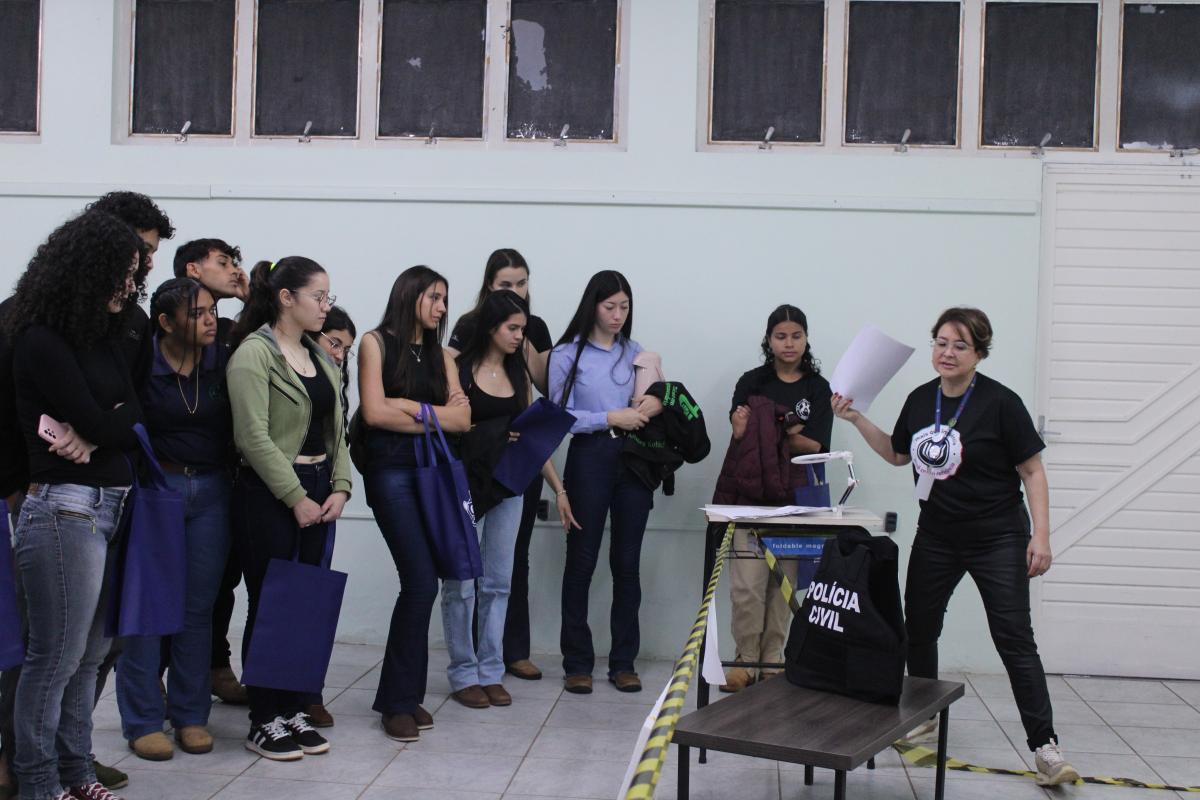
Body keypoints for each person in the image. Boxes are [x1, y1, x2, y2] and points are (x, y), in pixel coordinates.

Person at [831, 306, 1080, 787]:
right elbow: (898, 453)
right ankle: (923, 717)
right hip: (937, 536)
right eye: (941, 343)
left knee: (1014, 638)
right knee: (919, 629)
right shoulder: (920, 399)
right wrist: (857, 418)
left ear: (979, 353)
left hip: (998, 536)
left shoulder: (1001, 403)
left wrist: (1041, 535)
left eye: (960, 345)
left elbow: (1032, 471)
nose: (948, 353)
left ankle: (1045, 747)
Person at [5, 209, 148, 800]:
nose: (130, 286)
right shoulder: (40, 338)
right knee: (55, 658)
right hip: (63, 507)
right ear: (88, 270)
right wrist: (102, 424)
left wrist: (96, 430)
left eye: (135, 274)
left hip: (109, 503)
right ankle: (39, 783)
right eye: (122, 273)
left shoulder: (110, 335)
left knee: (91, 656)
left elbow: (137, 411)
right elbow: (108, 418)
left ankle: (77, 772)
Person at [226, 257, 352, 761]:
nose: (325, 306)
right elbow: (252, 437)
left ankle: (294, 707)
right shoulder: (253, 354)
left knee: (305, 602)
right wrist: (294, 496)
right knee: (271, 601)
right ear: (286, 298)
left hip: (319, 484)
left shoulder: (319, 355)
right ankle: (264, 718)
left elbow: (337, 428)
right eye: (318, 297)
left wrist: (340, 485)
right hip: (270, 490)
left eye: (327, 297)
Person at [115, 279, 233, 761]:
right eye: (197, 313)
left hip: (212, 490)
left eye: (211, 311)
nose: (209, 321)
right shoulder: (144, 361)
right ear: (164, 322)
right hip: (156, 489)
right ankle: (143, 720)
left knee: (197, 608)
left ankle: (190, 715)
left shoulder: (222, 359)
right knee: (146, 608)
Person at [443, 291, 576, 709]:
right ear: (491, 328)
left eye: (523, 329)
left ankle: (490, 670)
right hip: (467, 486)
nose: (520, 336)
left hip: (509, 485)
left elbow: (531, 437)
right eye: (513, 328)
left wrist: (559, 488)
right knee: (461, 583)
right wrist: (491, 432)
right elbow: (448, 428)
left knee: (499, 582)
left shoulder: (519, 374)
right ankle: (463, 672)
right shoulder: (459, 371)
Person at [357, 266, 469, 742]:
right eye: (434, 298)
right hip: (389, 473)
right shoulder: (375, 343)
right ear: (409, 296)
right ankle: (398, 702)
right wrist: (431, 417)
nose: (442, 308)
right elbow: (373, 413)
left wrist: (410, 407)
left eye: (444, 299)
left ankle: (403, 695)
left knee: (427, 582)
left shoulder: (443, 356)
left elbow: (463, 420)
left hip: (431, 475)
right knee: (420, 581)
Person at [548, 270, 662, 695]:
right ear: (592, 306)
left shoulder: (637, 353)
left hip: (634, 460)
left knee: (627, 563)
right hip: (590, 457)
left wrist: (653, 404)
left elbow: (656, 402)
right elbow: (559, 417)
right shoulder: (567, 354)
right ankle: (577, 662)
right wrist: (610, 417)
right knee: (581, 560)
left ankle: (623, 662)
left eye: (624, 307)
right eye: (610, 306)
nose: (618, 315)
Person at [717, 305, 832, 693]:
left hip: (798, 499)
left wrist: (766, 430)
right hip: (751, 496)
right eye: (781, 336)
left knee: (783, 585)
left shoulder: (817, 387)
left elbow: (815, 445)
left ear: (806, 339)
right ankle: (744, 662)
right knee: (746, 585)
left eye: (796, 336)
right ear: (768, 340)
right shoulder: (752, 382)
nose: (789, 343)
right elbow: (740, 434)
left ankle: (772, 662)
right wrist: (785, 430)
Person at [170, 238, 252, 707]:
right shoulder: (165, 329)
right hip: (172, 475)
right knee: (169, 584)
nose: (234, 270)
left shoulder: (230, 330)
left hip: (224, 475)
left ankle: (214, 666)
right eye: (223, 262)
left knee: (219, 582)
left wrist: (249, 300)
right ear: (193, 269)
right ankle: (159, 677)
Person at [300, 305, 357, 728]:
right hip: (280, 486)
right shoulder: (280, 362)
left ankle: (309, 692)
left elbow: (340, 440)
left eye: (346, 350)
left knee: (314, 594)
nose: (338, 354)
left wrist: (342, 486)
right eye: (334, 343)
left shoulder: (335, 381)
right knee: (278, 596)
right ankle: (272, 699)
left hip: (324, 488)